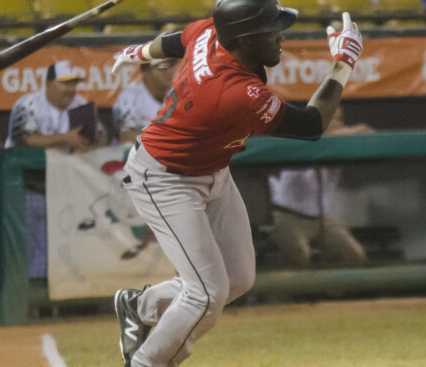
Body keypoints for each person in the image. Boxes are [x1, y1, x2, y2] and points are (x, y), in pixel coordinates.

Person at [110, 1, 363, 365]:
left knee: (238, 278)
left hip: (211, 169)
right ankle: (147, 362)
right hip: (164, 178)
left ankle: (139, 306)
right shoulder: (233, 92)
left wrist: (138, 51)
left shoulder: (213, 30)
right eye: (271, 30)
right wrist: (343, 63)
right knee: (206, 295)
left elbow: (176, 40)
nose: (280, 37)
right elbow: (311, 125)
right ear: (244, 38)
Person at [4, 60, 98, 280]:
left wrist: (86, 142)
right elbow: (25, 141)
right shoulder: (28, 104)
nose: (71, 89)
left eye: (74, 83)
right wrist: (66, 138)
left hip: (64, 191)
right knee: (29, 248)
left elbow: (93, 141)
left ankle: (55, 303)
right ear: (48, 84)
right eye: (65, 83)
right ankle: (31, 304)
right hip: (28, 187)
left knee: (64, 250)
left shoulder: (80, 106)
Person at [267, 107, 370, 267]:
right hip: (286, 216)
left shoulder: (339, 143)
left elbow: (365, 131)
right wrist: (336, 135)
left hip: (320, 218)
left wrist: (341, 134)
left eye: (339, 119)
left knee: (355, 256)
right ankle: (291, 291)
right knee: (301, 256)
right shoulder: (301, 138)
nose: (337, 123)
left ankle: (332, 291)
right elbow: (317, 141)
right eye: (331, 119)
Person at [113, 58, 178, 144]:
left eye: (171, 66)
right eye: (162, 67)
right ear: (145, 72)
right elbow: (127, 136)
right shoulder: (129, 97)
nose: (169, 71)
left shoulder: (179, 95)